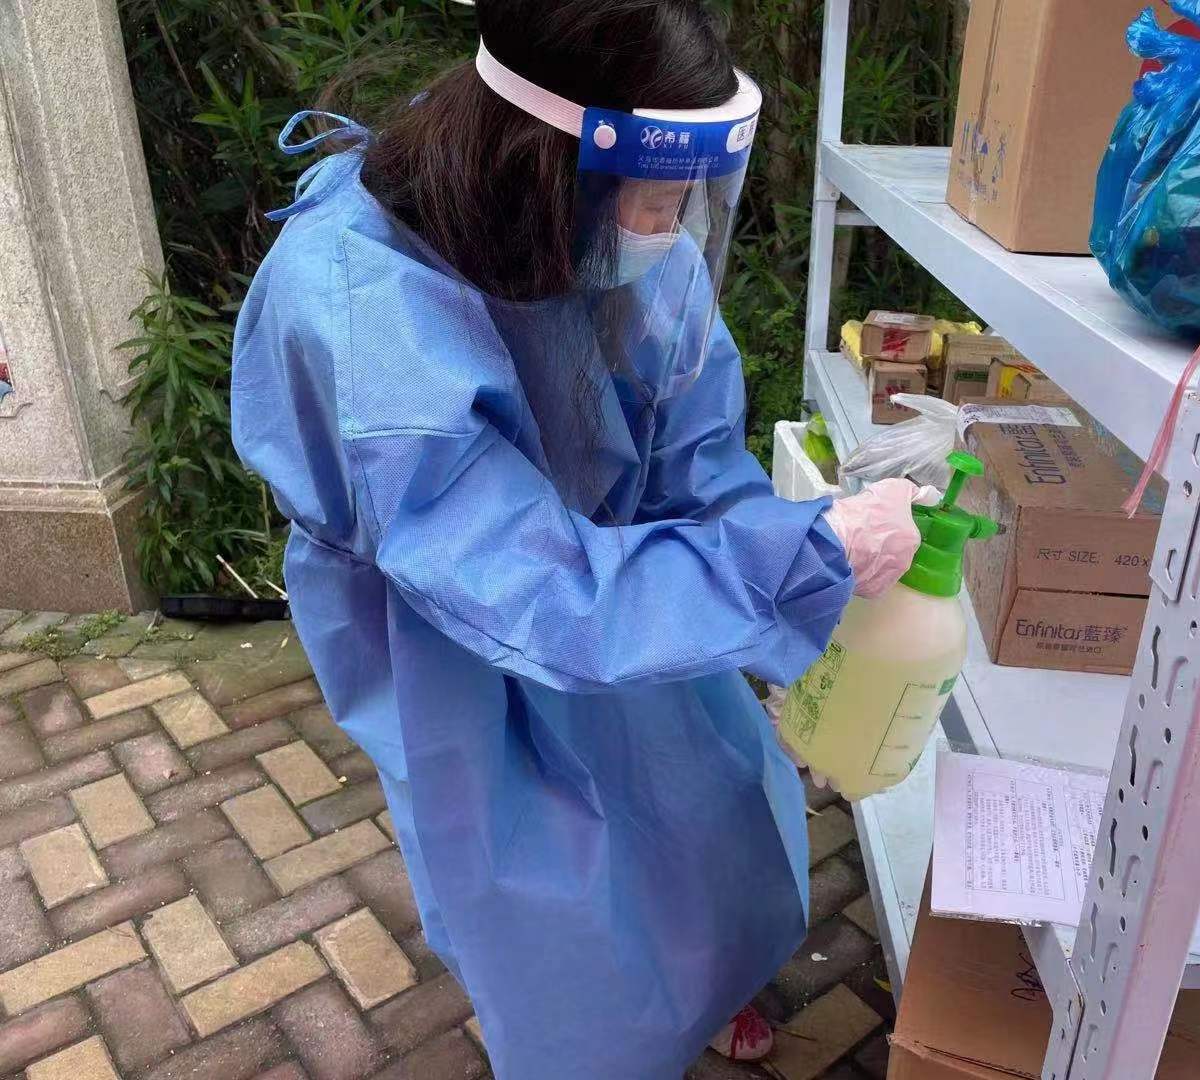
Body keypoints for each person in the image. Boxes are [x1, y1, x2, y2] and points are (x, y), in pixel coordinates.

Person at [231, 1, 927, 1075]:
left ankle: (704, 982)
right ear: (550, 169)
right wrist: (790, 567)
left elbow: (695, 460)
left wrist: (797, 551)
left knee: (704, 801)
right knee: (537, 888)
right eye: (659, 198)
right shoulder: (362, 312)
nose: (672, 231)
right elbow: (529, 588)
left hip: (633, 584)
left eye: (687, 199)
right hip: (448, 634)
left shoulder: (604, 237)